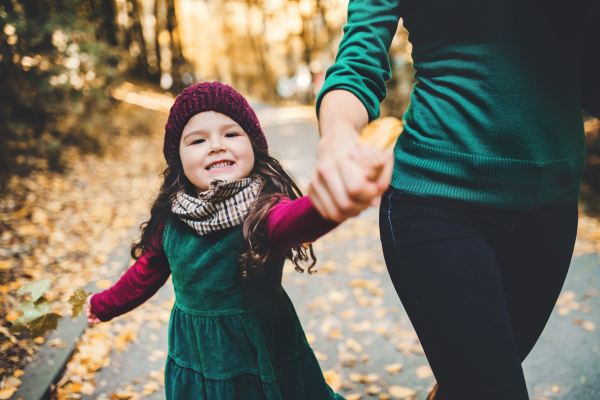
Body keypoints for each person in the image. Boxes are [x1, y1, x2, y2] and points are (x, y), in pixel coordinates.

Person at [312, 1, 600, 399]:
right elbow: (359, 58)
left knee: (468, 383)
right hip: (436, 201)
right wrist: (338, 137)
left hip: (553, 208)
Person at [85, 82, 371, 399]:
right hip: (197, 355)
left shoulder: (263, 209)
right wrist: (103, 304)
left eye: (231, 134)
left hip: (263, 351)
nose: (217, 145)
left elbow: (295, 220)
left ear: (253, 144)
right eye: (197, 140)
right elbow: (145, 271)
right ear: (178, 158)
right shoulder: (171, 218)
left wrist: (329, 202)